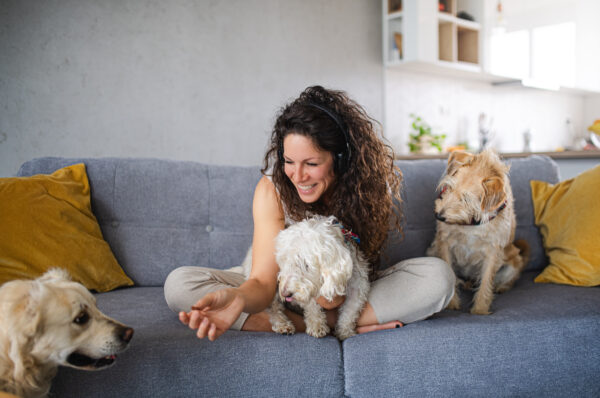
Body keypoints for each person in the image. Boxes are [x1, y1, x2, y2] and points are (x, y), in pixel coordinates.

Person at [164, 85, 455, 341]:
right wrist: (238, 300)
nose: (297, 176)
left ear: (339, 161)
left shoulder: (362, 192)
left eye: (311, 163)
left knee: (438, 277)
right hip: (280, 290)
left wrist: (332, 300)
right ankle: (331, 327)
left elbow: (336, 295)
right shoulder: (271, 190)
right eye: (289, 161)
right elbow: (265, 283)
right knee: (180, 285)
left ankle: (313, 324)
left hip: (342, 291)